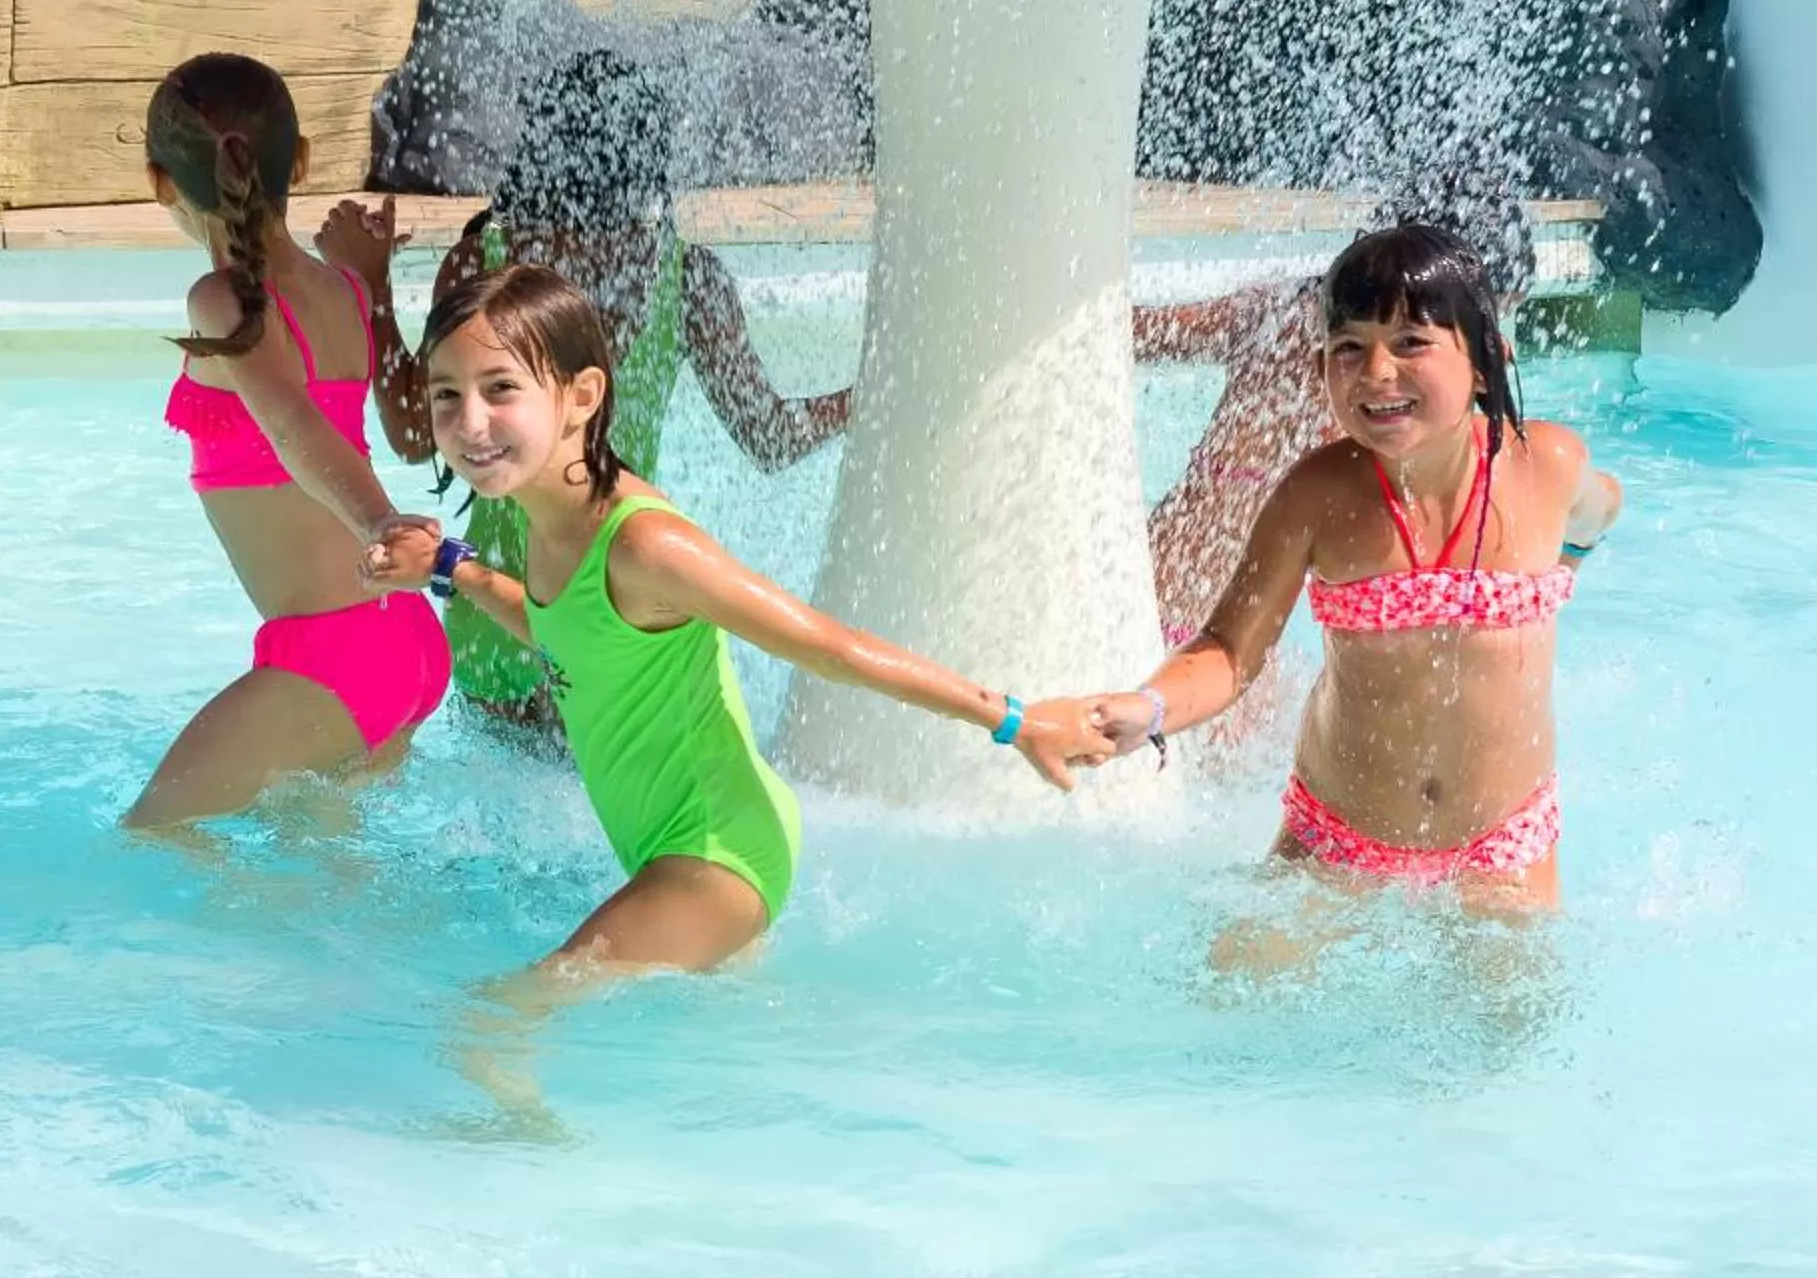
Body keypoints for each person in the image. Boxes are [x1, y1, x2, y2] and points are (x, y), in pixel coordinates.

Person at [362, 261, 1113, 981]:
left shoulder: (645, 545)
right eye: (446, 396)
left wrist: (1015, 721)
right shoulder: (548, 513)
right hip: (677, 844)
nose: (471, 422)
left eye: (501, 389)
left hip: (715, 854)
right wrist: (448, 564)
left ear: (582, 396)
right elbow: (571, 636)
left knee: (501, 1021)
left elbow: (831, 647)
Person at [1097, 221, 1621, 907]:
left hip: (1504, 840)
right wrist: (1152, 706)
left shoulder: (1544, 466)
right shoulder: (1317, 495)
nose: (1377, 373)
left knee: (1508, 1011)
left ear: (1488, 358)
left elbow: (1600, 511)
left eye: (1410, 343)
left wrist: (1568, 562)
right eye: (1349, 349)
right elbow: (1230, 648)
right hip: (1339, 833)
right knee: (1236, 991)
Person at [321, 54, 853, 719]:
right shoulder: (687, 281)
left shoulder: (489, 263)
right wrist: (866, 399)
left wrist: (373, 287)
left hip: (494, 625)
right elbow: (773, 438)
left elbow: (409, 430)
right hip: (615, 604)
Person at [131, 52, 449, 828]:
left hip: (334, 656)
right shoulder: (341, 289)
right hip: (403, 641)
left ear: (160, 184)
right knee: (323, 862)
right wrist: (372, 281)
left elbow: (294, 425)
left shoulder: (222, 302)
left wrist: (383, 523)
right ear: (299, 163)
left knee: (155, 834)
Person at [1133, 171, 1540, 750]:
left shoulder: (1296, 314)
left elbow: (1141, 331)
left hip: (1184, 599)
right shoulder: (1373, 388)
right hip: (1192, 636)